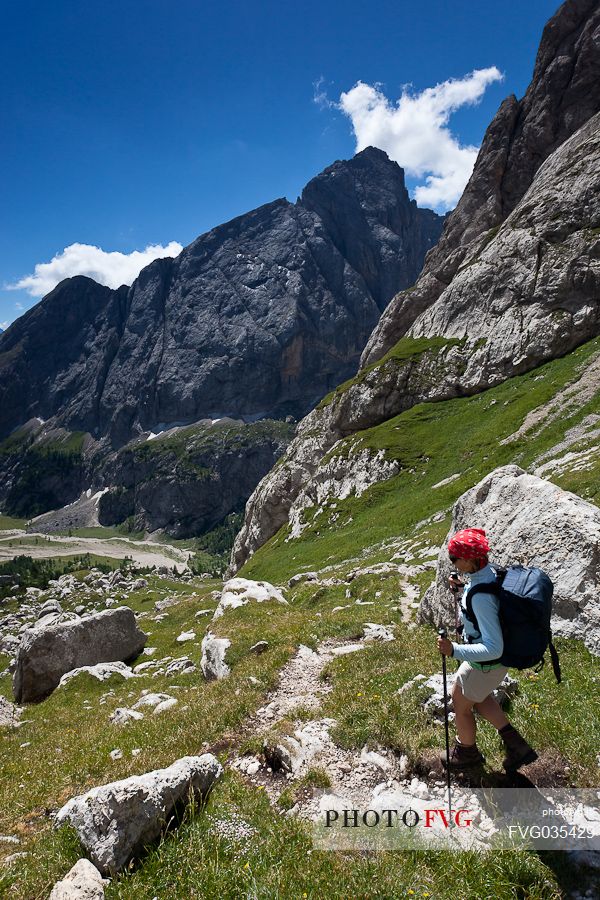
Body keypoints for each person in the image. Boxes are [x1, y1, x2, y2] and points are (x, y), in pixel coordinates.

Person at [436, 527, 538, 771]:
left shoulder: (481, 596)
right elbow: (484, 606)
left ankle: (466, 753)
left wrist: (454, 650)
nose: (452, 562)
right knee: (480, 698)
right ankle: (517, 745)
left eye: (454, 558)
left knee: (460, 703)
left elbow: (493, 647)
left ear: (469, 560)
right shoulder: (490, 574)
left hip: (486, 664)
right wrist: (462, 589)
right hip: (494, 666)